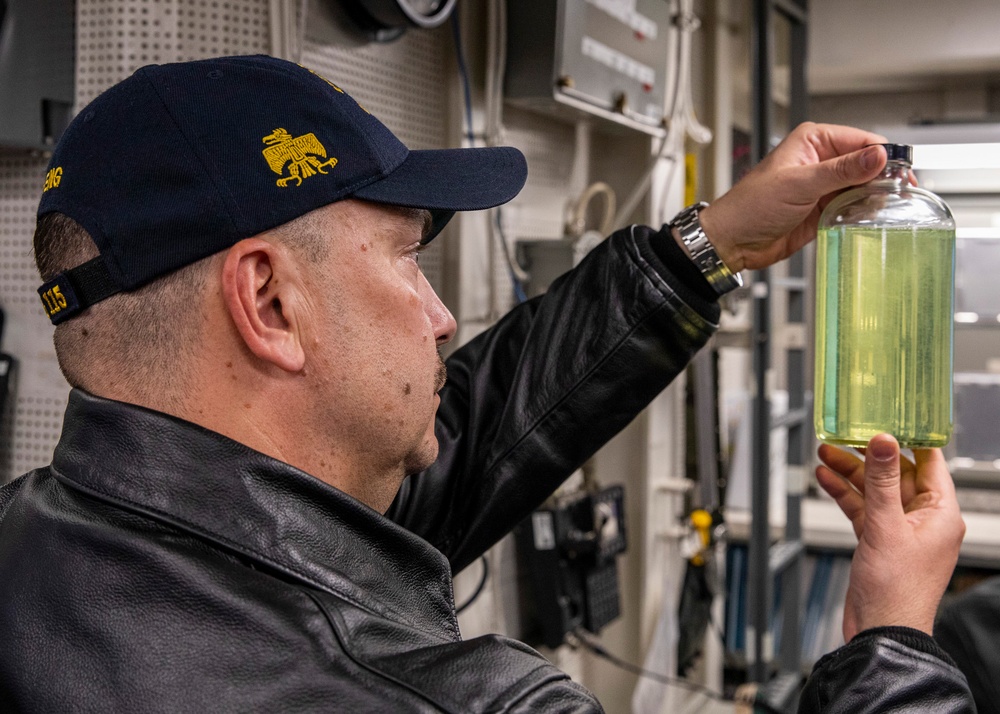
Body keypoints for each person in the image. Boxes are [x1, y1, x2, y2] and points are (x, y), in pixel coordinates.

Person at [0, 54, 973, 712]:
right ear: (269, 302)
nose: (439, 315)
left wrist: (707, 247)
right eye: (406, 259)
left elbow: (462, 435)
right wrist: (891, 639)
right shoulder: (444, 697)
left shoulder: (49, 545)